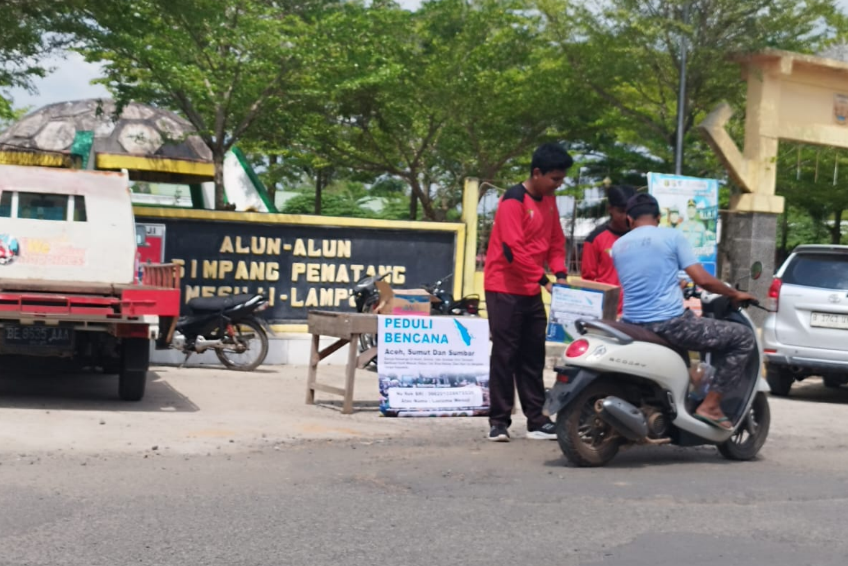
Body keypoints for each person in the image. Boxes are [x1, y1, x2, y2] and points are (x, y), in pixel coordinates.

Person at [611, 194, 756, 430]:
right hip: (669, 324)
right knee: (743, 337)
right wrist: (734, 294)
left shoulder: (618, 246)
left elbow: (645, 279)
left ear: (629, 219)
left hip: (632, 324)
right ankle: (710, 405)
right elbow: (702, 280)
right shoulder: (672, 236)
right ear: (659, 217)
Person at [483, 143, 572, 442]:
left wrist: (560, 274)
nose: (558, 185)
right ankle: (499, 422)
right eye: (555, 179)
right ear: (537, 173)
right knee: (505, 356)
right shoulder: (513, 200)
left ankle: (536, 421)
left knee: (533, 356)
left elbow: (556, 241)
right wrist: (544, 281)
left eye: (561, 180)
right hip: (504, 288)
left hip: (531, 289)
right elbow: (512, 250)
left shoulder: (550, 201)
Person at [581, 185, 637, 315]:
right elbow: (588, 281)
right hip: (606, 312)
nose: (626, 217)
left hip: (636, 311)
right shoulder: (594, 239)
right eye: (621, 211)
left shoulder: (641, 237)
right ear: (610, 209)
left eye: (630, 212)